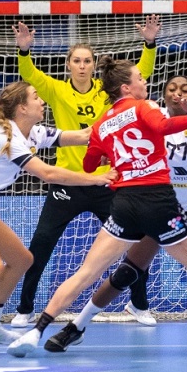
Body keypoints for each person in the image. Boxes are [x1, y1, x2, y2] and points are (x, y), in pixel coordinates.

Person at [8, 57, 187, 358]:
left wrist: (109, 156)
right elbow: (164, 126)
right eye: (139, 79)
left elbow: (89, 164)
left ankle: (36, 331)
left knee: (86, 273)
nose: (145, 82)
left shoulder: (102, 123)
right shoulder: (144, 107)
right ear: (126, 87)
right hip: (158, 201)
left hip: (123, 204)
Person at [0, 81, 117, 359]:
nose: (42, 102)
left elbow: (84, 135)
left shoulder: (34, 133)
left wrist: (118, 119)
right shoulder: (7, 140)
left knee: (21, 259)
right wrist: (97, 179)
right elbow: (48, 174)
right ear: (22, 108)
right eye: (36, 97)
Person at [10, 16, 161, 328]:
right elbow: (30, 75)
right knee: (41, 243)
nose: (81, 66)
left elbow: (140, 74)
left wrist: (149, 43)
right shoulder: (56, 90)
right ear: (68, 65)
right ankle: (25, 309)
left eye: (87, 61)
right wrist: (24, 50)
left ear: (94, 65)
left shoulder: (106, 93)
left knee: (135, 243)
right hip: (67, 184)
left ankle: (138, 305)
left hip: (106, 181)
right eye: (76, 61)